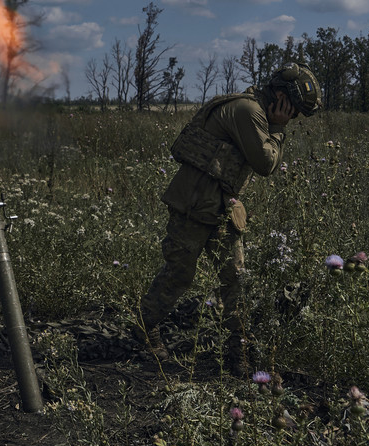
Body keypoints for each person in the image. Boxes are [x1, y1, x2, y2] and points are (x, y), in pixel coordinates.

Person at [134, 62, 322, 376]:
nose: (294, 117)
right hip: (193, 207)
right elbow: (265, 163)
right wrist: (277, 129)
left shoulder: (254, 110)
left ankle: (239, 349)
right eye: (295, 110)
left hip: (222, 208)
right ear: (281, 96)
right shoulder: (248, 111)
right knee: (179, 273)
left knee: (236, 280)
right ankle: (145, 327)